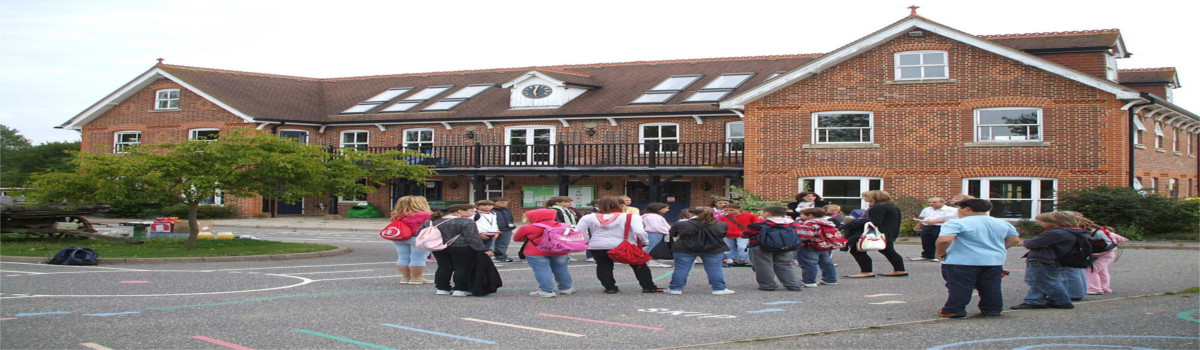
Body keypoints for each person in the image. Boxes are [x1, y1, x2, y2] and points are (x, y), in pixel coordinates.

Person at [934, 199, 1021, 318]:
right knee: (991, 286)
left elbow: (945, 240)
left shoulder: (956, 223)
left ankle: (954, 309)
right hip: (993, 261)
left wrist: (940, 252)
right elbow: (1014, 239)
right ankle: (992, 310)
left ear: (967, 209)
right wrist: (999, 248)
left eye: (960, 208)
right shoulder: (1002, 223)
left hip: (962, 261)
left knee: (960, 286)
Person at [577, 197, 664, 294]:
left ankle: (610, 287)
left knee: (603, 265)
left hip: (598, 244)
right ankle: (648, 286)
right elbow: (639, 231)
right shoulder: (631, 217)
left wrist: (588, 241)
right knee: (639, 264)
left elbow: (579, 231)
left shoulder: (588, 217)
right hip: (625, 245)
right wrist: (645, 241)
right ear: (621, 205)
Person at [1011, 211, 1088, 310]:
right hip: (1048, 260)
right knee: (1037, 281)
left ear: (1053, 222)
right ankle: (1035, 300)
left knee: (1048, 282)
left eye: (1042, 221)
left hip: (1044, 260)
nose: (1040, 223)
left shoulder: (1057, 233)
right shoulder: (1067, 232)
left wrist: (1027, 241)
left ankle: (1061, 300)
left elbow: (1031, 244)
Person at [665, 206, 735, 295]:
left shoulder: (682, 224)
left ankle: (675, 288)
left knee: (681, 268)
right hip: (713, 248)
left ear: (690, 213)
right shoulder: (721, 224)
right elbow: (722, 235)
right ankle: (719, 288)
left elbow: (673, 234)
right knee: (714, 269)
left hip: (685, 248)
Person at [428, 204, 493, 297]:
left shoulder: (433, 221)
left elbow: (420, 232)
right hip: (462, 247)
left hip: (439, 246)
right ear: (460, 211)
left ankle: (442, 288)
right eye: (471, 210)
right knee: (462, 268)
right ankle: (460, 289)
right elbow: (472, 238)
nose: (474, 213)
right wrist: (482, 250)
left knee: (443, 267)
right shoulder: (466, 222)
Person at [842, 190, 907, 278]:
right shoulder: (891, 206)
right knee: (888, 250)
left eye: (866, 196)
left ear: (873, 197)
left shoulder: (878, 207)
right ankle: (899, 270)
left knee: (857, 250)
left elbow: (874, 221)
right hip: (888, 231)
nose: (863, 198)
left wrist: (854, 222)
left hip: (878, 232)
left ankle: (866, 271)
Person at [513, 209, 575, 298]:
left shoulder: (528, 227)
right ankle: (566, 288)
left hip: (536, 251)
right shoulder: (563, 225)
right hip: (559, 250)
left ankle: (547, 290)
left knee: (541, 270)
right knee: (561, 269)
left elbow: (517, 238)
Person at [745, 206, 804, 291]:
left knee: (763, 265)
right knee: (785, 265)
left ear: (767, 214)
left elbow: (745, 234)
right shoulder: (792, 223)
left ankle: (767, 285)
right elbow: (798, 234)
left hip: (761, 246)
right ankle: (793, 284)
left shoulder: (758, 225)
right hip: (786, 246)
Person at [1065, 211, 1124, 295]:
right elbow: (1120, 238)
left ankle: (1094, 288)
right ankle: (1104, 287)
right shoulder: (1099, 229)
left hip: (1102, 254)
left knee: (1091, 269)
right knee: (1102, 270)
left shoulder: (1085, 231)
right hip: (1108, 253)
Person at [388, 195, 434, 284]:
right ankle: (417, 278)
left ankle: (406, 277)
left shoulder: (397, 214)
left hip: (400, 237)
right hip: (418, 238)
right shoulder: (426, 215)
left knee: (403, 257)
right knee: (418, 258)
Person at [795, 207, 839, 287]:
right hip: (824, 244)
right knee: (826, 262)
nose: (801, 216)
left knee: (809, 263)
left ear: (810, 215)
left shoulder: (808, 223)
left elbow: (806, 236)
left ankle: (809, 281)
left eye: (803, 214)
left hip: (809, 245)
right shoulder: (827, 223)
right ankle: (830, 279)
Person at [913, 196, 960, 262]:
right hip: (927, 226)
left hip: (940, 227)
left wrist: (935, 221)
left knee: (939, 242)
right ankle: (927, 255)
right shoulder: (927, 209)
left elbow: (952, 220)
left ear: (942, 202)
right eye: (929, 202)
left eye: (934, 202)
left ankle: (940, 255)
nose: (931, 204)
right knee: (926, 242)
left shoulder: (951, 210)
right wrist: (919, 225)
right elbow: (924, 218)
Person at [545, 196, 581, 261]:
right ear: (557, 203)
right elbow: (556, 220)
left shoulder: (568, 210)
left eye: (571, 202)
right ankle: (561, 256)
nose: (570, 203)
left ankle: (567, 255)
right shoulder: (554, 210)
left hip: (569, 227)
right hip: (560, 228)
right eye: (567, 202)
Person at [642, 202, 673, 268]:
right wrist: (667, 231)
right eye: (666, 208)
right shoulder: (654, 217)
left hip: (655, 233)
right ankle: (646, 260)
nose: (668, 210)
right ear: (658, 209)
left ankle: (648, 259)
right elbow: (657, 226)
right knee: (653, 247)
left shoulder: (650, 216)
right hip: (656, 233)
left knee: (653, 246)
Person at [489, 197, 516, 263]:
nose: (504, 204)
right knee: (491, 245)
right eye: (501, 202)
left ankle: (501, 256)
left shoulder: (507, 210)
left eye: (505, 202)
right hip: (495, 229)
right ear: (494, 203)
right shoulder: (491, 211)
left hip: (506, 228)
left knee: (503, 243)